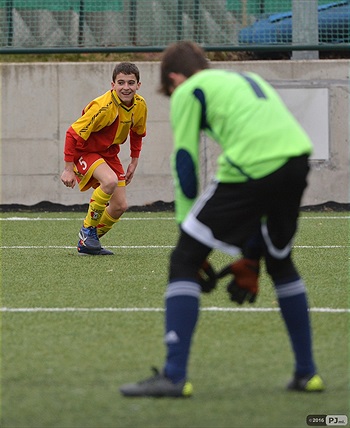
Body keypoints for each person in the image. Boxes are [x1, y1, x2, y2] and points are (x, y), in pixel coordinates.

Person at [119, 41, 325, 397]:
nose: (173, 98)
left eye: (169, 92)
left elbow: (185, 162)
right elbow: (264, 185)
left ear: (174, 78)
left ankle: (173, 376)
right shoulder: (241, 79)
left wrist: (188, 235)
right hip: (296, 160)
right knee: (281, 263)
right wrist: (251, 255)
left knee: (183, 260)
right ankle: (308, 374)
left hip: (252, 166)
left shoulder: (188, 89)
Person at [61, 62, 147, 255]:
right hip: (85, 152)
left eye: (131, 83)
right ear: (112, 84)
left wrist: (134, 160)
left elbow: (137, 132)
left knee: (119, 206)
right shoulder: (103, 106)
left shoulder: (140, 105)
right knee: (109, 181)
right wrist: (67, 168)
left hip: (109, 154)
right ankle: (87, 231)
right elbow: (71, 133)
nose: (126, 87)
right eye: (121, 82)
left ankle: (88, 242)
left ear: (138, 85)